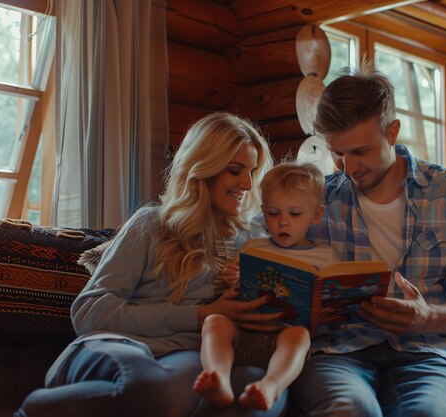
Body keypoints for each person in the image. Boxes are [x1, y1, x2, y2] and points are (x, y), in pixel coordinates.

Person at [16, 112, 289, 417]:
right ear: (203, 168)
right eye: (236, 170)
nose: (248, 184)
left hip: (186, 358)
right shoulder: (152, 224)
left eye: (252, 172)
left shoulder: (255, 239)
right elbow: (90, 312)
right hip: (117, 343)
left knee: (256, 395)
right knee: (150, 387)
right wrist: (200, 315)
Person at [289, 65, 446, 416]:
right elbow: (255, 232)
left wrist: (425, 317)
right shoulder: (318, 199)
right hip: (341, 353)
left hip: (430, 352)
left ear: (392, 133)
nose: (348, 167)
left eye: (360, 151)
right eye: (338, 153)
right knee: (347, 410)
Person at [195, 161, 338, 411]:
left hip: (282, 342)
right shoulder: (254, 247)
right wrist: (232, 278)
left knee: (299, 335)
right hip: (242, 334)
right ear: (263, 210)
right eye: (273, 213)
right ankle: (217, 377)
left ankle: (270, 386)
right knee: (214, 321)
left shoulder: (326, 257)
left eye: (294, 214)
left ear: (316, 214)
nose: (283, 222)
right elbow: (238, 284)